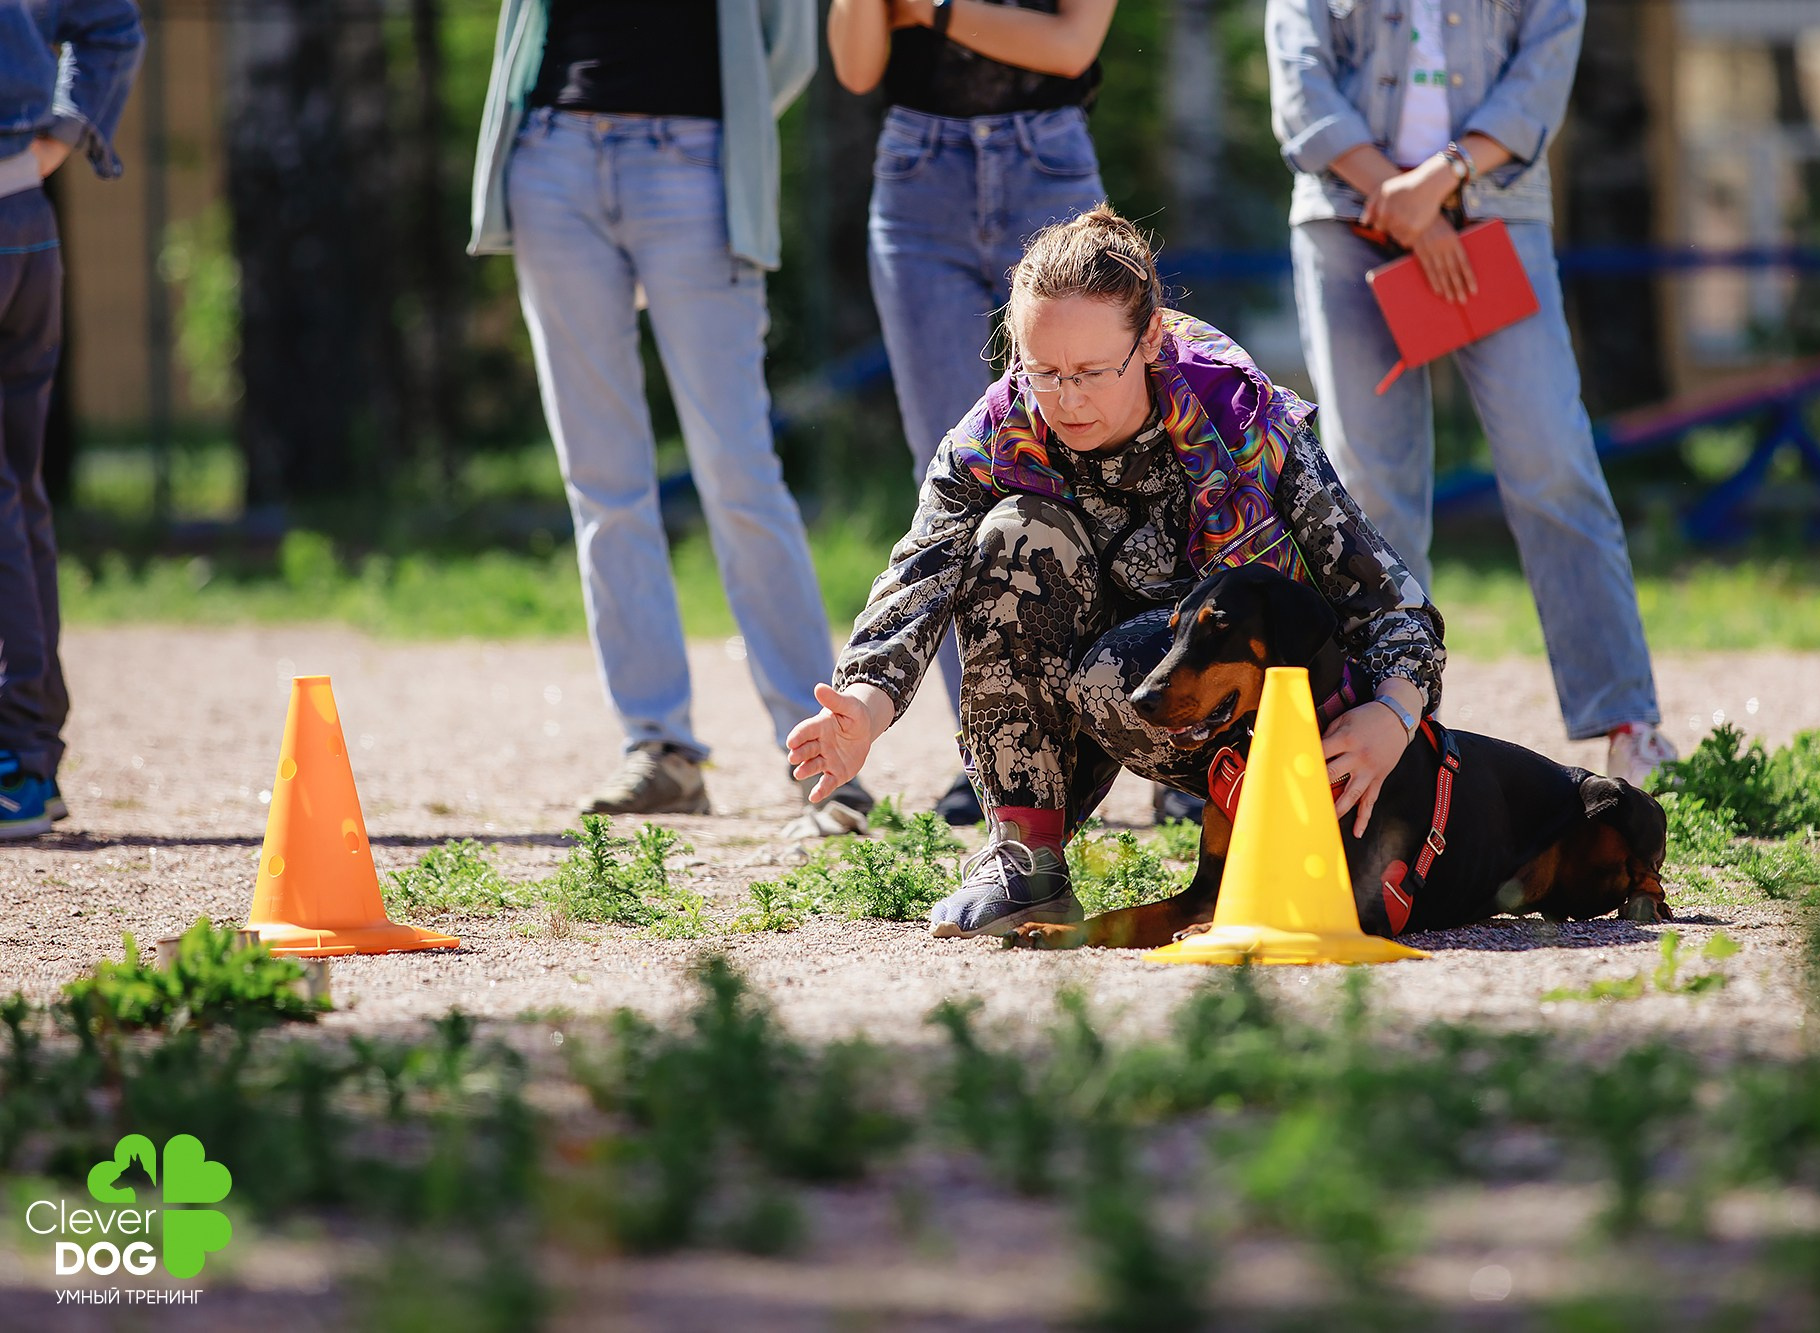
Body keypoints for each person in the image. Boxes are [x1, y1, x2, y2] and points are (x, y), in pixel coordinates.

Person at [787, 206, 1446, 938]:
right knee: (1015, 533)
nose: (1067, 399)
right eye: (1044, 371)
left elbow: (1392, 604)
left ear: (1151, 338)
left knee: (1113, 674)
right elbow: (919, 574)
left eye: (1093, 373)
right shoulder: (995, 433)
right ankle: (1026, 861)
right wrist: (864, 704)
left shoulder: (1244, 419)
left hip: (1263, 726)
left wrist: (1392, 716)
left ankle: (1249, 826)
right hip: (1090, 687)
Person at [469, 0, 872, 835]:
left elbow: (789, 46)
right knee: (601, 479)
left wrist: (734, 129)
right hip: (552, 157)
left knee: (739, 473)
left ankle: (823, 750)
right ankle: (660, 749)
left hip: (696, 159)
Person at [1268, 0, 1677, 786]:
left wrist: (1441, 180)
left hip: (1497, 212)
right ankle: (1391, 725)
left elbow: (1541, 69)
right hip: (1347, 216)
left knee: (1551, 455)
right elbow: (1300, 81)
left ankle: (1628, 720)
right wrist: (1407, 205)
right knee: (1371, 482)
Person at [826, 0, 1126, 826]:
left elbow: (1069, 46)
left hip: (1048, 162)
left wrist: (929, 10)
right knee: (950, 467)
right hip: (917, 170)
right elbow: (856, 67)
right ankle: (992, 747)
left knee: (1098, 446)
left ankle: (1139, 730)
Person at [0, 0, 144, 840]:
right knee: (16, 493)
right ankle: (29, 756)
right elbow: (112, 22)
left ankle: (16, 762)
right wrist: (52, 142)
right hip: (25, 215)